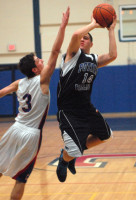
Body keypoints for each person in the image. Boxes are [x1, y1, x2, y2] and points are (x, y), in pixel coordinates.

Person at [0, 7, 70, 200]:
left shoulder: (18, 83)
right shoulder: (43, 80)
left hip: (14, 129)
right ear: (35, 69)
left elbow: (1, 93)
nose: (42, 60)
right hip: (30, 135)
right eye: (39, 60)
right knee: (21, 179)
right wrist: (63, 26)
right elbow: (56, 51)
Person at [56, 14, 117, 182]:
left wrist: (111, 29)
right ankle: (66, 158)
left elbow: (112, 55)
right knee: (74, 151)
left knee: (107, 135)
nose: (82, 39)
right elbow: (75, 35)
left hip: (86, 108)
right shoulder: (71, 55)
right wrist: (93, 24)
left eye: (86, 38)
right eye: (82, 38)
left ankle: (67, 154)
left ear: (91, 43)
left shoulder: (94, 59)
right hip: (69, 110)